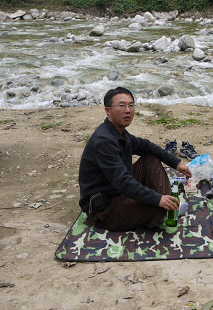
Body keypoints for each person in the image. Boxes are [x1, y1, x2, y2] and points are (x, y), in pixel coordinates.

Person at [78, 87, 192, 231]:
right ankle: (167, 206)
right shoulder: (104, 141)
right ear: (108, 110)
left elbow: (147, 146)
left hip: (117, 192)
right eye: (122, 105)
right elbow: (123, 182)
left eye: (131, 105)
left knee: (150, 159)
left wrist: (176, 163)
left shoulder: (119, 132)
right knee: (159, 209)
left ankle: (167, 202)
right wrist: (157, 199)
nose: (128, 110)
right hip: (103, 208)